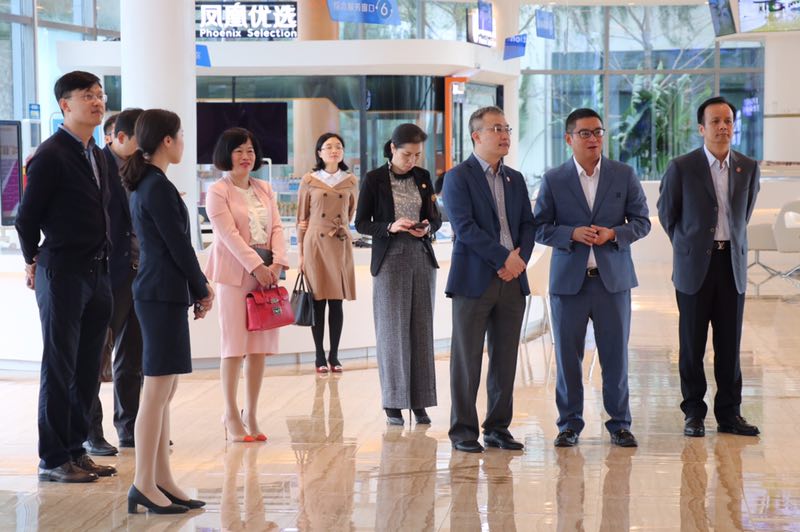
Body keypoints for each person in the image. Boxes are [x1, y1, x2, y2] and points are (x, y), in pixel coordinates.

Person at [15, 70, 117, 483]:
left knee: (88, 369)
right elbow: (26, 219)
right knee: (60, 368)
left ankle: (76, 450)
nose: (97, 102)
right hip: (62, 274)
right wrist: (32, 260)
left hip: (98, 274)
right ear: (65, 104)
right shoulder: (51, 154)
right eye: (87, 95)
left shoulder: (98, 154)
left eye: (100, 95)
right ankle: (54, 459)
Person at [533, 108, 651, 448]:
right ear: (569, 139)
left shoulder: (623, 174)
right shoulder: (554, 179)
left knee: (615, 357)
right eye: (585, 133)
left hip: (612, 282)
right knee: (568, 358)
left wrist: (613, 234)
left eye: (598, 132)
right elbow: (539, 227)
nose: (593, 139)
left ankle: (619, 424)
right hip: (569, 284)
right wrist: (571, 233)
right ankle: (569, 425)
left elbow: (642, 222)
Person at [121, 109, 214, 513]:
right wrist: (202, 286)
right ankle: (143, 483)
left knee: (164, 391)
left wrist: (195, 289)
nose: (184, 143)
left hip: (162, 293)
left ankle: (162, 478)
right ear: (167, 141)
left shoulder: (153, 182)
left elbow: (173, 245)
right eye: (181, 135)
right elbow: (178, 246)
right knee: (157, 391)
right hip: (159, 293)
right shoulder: (155, 186)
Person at [657, 96, 761, 438]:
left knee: (730, 345)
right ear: (701, 128)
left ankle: (730, 414)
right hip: (695, 267)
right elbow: (668, 214)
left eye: (728, 121)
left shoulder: (748, 167)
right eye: (715, 121)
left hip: (731, 264)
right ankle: (693, 413)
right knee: (692, 344)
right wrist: (689, 246)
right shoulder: (682, 167)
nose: (722, 127)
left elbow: (743, 215)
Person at [443, 105, 535, 453]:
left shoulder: (516, 179)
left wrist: (518, 262)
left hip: (512, 280)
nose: (504, 134)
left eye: (506, 128)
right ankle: (463, 432)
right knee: (467, 359)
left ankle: (497, 428)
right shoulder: (458, 177)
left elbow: (528, 224)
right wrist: (503, 258)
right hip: (473, 280)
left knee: (505, 359)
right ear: (476, 136)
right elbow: (465, 228)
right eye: (496, 128)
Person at [205, 127, 288, 442]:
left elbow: (277, 227)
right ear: (226, 154)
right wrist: (257, 266)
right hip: (235, 276)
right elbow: (228, 235)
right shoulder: (218, 191)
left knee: (258, 349)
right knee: (234, 347)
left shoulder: (264, 188)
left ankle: (250, 413)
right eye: (238, 150)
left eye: (250, 150)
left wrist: (277, 264)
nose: (245, 156)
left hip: (267, 275)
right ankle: (230, 414)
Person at [355, 123, 441, 425]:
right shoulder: (374, 179)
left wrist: (427, 227)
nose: (412, 161)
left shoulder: (423, 177)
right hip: (390, 259)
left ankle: (420, 401)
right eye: (407, 155)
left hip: (421, 257)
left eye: (417, 155)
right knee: (393, 331)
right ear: (392, 148)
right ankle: (394, 401)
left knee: (421, 331)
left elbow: (436, 218)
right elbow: (361, 223)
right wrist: (390, 226)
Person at [84, 107, 145, 457]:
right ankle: (91, 432)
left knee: (132, 357)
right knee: (96, 356)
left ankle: (130, 427)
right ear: (119, 137)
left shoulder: (142, 169)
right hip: (107, 273)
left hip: (140, 272)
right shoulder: (98, 164)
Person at [296, 133, 358, 373]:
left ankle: (334, 355)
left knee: (336, 302)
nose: (334, 150)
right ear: (319, 152)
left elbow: (350, 213)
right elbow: (302, 218)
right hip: (315, 244)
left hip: (339, 241)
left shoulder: (350, 180)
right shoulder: (309, 180)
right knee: (318, 301)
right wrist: (301, 255)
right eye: (328, 146)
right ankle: (319, 355)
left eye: (338, 146)